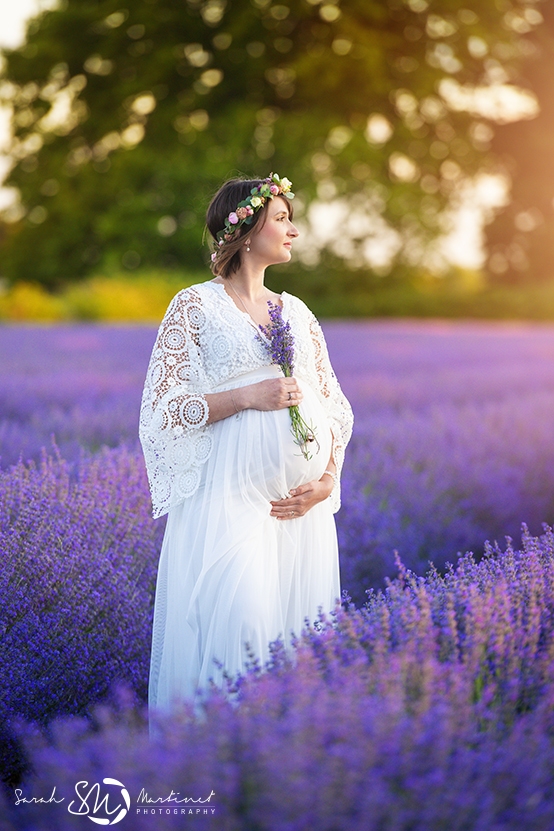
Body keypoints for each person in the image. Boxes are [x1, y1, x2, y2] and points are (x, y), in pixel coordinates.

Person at [139, 173, 353, 714]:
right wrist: (245, 396)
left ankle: (278, 784)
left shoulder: (299, 312)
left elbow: (334, 408)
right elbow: (162, 412)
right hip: (231, 509)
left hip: (302, 517)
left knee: (297, 656)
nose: (294, 230)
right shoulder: (194, 307)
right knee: (242, 647)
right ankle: (219, 772)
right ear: (246, 225)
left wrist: (327, 482)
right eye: (282, 218)